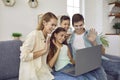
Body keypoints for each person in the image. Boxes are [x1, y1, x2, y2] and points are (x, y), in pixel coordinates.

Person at [19, 12, 58, 80]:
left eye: (55, 25)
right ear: (44, 23)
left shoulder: (48, 37)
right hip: (31, 73)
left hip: (42, 71)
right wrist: (44, 51)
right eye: (52, 25)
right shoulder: (33, 35)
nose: (54, 28)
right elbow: (23, 56)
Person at [69, 13, 107, 80]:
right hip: (80, 65)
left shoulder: (91, 34)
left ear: (84, 23)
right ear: (73, 25)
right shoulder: (70, 37)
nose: (79, 28)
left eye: (81, 25)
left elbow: (103, 52)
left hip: (93, 62)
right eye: (76, 26)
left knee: (102, 77)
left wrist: (93, 42)